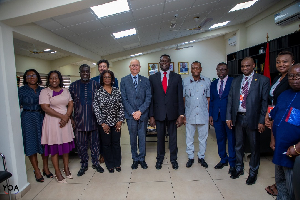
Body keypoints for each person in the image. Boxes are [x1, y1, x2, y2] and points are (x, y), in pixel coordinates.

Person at [226, 57, 270, 185]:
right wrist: (229, 117)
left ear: (253, 66)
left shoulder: (263, 80)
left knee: (254, 146)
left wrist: (261, 121)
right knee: (238, 144)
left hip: (254, 118)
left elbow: (264, 102)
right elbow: (230, 99)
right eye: (243, 66)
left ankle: (253, 172)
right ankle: (239, 168)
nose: (245, 68)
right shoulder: (236, 80)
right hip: (238, 117)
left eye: (247, 66)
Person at [265, 51, 295, 196]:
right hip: (276, 118)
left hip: (288, 124)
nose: (281, 64)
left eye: (285, 62)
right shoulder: (278, 78)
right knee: (279, 161)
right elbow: (273, 101)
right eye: (278, 62)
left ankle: (285, 190)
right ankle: (280, 187)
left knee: (288, 163)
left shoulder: (292, 84)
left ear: (293, 63)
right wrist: (268, 115)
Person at [268, 63, 300, 200]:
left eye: (298, 76)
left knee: (293, 185)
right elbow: (275, 119)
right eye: (291, 76)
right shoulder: (284, 95)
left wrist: (297, 148)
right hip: (279, 147)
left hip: (293, 152)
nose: (294, 79)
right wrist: (272, 139)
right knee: (280, 181)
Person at [149, 54, 184, 170]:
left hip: (173, 113)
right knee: (160, 138)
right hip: (159, 114)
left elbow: (180, 97)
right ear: (160, 63)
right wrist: (151, 115)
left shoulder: (177, 77)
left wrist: (181, 115)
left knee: (173, 138)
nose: (164, 63)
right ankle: (160, 158)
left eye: (166, 61)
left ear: (170, 63)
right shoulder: (153, 78)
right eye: (162, 61)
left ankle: (173, 159)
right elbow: (151, 98)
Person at [40, 70, 75, 183]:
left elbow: (70, 104)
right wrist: (62, 117)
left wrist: (67, 116)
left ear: (60, 79)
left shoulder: (65, 91)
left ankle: (66, 168)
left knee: (65, 146)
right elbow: (45, 107)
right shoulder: (45, 92)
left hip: (65, 121)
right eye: (51, 78)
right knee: (54, 146)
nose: (54, 80)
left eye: (56, 78)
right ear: (48, 80)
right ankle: (57, 171)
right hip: (53, 122)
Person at [69, 64, 104, 176]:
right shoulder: (73, 86)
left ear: (90, 72)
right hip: (79, 122)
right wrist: (71, 119)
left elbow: (102, 103)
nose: (85, 74)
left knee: (95, 144)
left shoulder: (96, 85)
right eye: (83, 72)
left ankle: (95, 163)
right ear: (80, 72)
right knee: (81, 145)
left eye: (87, 72)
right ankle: (84, 164)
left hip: (94, 120)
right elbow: (68, 104)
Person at [18, 69, 52, 182]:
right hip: (27, 118)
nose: (31, 77)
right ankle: (36, 170)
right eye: (28, 76)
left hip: (42, 117)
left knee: (44, 143)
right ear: (25, 78)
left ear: (37, 77)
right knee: (30, 144)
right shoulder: (21, 90)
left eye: (33, 75)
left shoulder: (43, 90)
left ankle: (45, 168)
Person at [120, 59, 151, 169]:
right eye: (132, 65)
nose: (134, 67)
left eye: (136, 65)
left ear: (140, 67)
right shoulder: (124, 80)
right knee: (133, 138)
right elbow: (123, 98)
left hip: (143, 114)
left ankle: (142, 159)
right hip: (130, 115)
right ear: (129, 67)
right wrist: (133, 112)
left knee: (142, 137)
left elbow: (148, 98)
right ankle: (135, 158)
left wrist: (140, 111)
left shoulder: (146, 81)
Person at [93, 70, 125, 173]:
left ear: (112, 79)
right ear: (102, 79)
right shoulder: (98, 92)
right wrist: (102, 123)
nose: (107, 79)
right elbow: (96, 109)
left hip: (116, 123)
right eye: (105, 77)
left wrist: (120, 121)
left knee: (116, 143)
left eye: (109, 77)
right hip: (104, 124)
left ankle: (117, 164)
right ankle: (110, 164)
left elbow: (121, 106)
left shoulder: (116, 91)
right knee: (106, 144)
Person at [183, 61, 211, 168]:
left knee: (203, 138)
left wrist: (209, 115)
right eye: (193, 68)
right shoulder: (185, 82)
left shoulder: (207, 81)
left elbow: (208, 99)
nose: (195, 70)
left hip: (203, 115)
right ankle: (190, 157)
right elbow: (183, 99)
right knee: (189, 138)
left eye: (197, 68)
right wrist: (183, 115)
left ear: (201, 69)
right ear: (191, 69)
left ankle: (201, 157)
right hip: (189, 115)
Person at [209, 63, 236, 174]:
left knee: (231, 139)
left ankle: (233, 163)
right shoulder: (213, 83)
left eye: (224, 70)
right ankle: (223, 159)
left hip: (229, 116)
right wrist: (211, 115)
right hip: (217, 116)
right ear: (216, 71)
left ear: (227, 70)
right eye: (219, 70)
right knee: (220, 139)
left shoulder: (233, 82)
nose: (222, 72)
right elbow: (212, 100)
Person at [91, 59, 118, 164]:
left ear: (107, 67)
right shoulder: (93, 80)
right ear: (98, 68)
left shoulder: (114, 80)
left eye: (104, 66)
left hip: (111, 115)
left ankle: (110, 155)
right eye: (100, 66)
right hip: (98, 114)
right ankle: (102, 154)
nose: (102, 68)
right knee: (100, 137)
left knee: (111, 138)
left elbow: (116, 98)